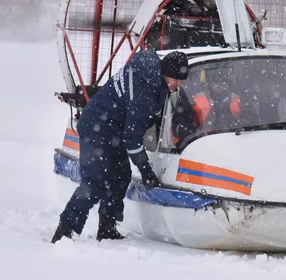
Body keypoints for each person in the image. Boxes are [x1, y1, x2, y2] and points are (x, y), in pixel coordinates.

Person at [51, 50, 189, 243]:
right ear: (165, 72)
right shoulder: (145, 90)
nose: (179, 84)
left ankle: (107, 228)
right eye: (176, 79)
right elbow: (132, 139)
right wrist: (146, 171)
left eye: (182, 80)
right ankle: (64, 230)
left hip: (113, 130)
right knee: (94, 183)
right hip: (95, 130)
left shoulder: (151, 75)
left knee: (120, 176)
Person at [172, 65, 257, 142]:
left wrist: (243, 123)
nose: (220, 86)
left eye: (224, 83)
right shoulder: (194, 100)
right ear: (208, 83)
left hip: (236, 142)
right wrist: (194, 132)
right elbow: (178, 125)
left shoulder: (239, 98)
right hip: (201, 145)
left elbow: (254, 119)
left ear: (229, 84)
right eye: (216, 83)